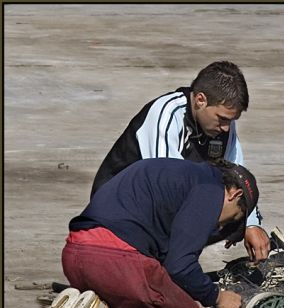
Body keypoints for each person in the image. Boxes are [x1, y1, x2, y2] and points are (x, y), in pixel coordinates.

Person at [28, 157, 259, 308]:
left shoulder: (180, 175)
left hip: (76, 256)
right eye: (232, 219)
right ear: (234, 193)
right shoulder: (211, 189)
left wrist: (183, 296)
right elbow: (180, 265)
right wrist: (216, 297)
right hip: (117, 263)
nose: (220, 226)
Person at [91, 60, 270, 263]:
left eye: (231, 120)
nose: (226, 128)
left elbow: (239, 177)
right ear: (200, 100)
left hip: (159, 213)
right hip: (116, 216)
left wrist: (251, 223)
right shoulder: (166, 113)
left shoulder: (223, 128)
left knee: (234, 210)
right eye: (222, 119)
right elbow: (165, 191)